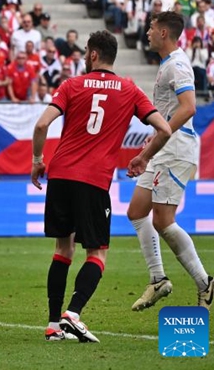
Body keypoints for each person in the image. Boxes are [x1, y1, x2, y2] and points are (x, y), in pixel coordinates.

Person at [31, 31, 173, 343]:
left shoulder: (72, 85)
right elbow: (164, 129)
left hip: (61, 175)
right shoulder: (130, 89)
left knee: (63, 249)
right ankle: (73, 314)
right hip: (93, 180)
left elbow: (41, 124)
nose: (84, 56)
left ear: (93, 55)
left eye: (85, 52)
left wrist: (37, 160)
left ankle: (54, 325)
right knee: (97, 252)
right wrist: (143, 157)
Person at [127, 11, 214, 312]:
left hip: (175, 149)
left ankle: (205, 283)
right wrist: (151, 144)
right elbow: (170, 112)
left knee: (163, 221)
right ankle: (158, 279)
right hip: (163, 147)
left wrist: (154, 145)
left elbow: (189, 108)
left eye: (151, 28)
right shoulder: (167, 64)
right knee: (136, 211)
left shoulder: (177, 64)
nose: (147, 33)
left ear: (164, 33)